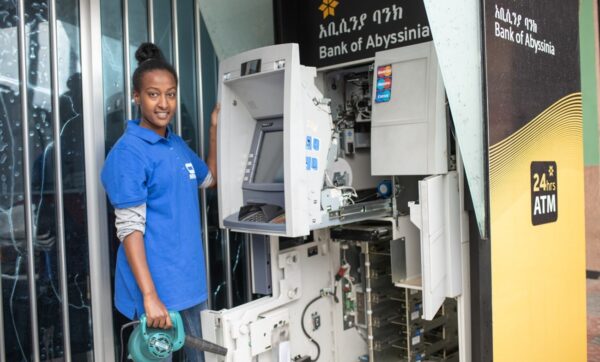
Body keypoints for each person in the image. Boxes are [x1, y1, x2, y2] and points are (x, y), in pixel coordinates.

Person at [101, 42, 218, 361]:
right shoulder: (129, 153)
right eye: (153, 94)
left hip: (190, 289)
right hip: (153, 298)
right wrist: (150, 297)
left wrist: (214, 128)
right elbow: (129, 230)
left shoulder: (176, 145)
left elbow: (209, 179)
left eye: (170, 93)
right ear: (136, 97)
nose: (164, 103)